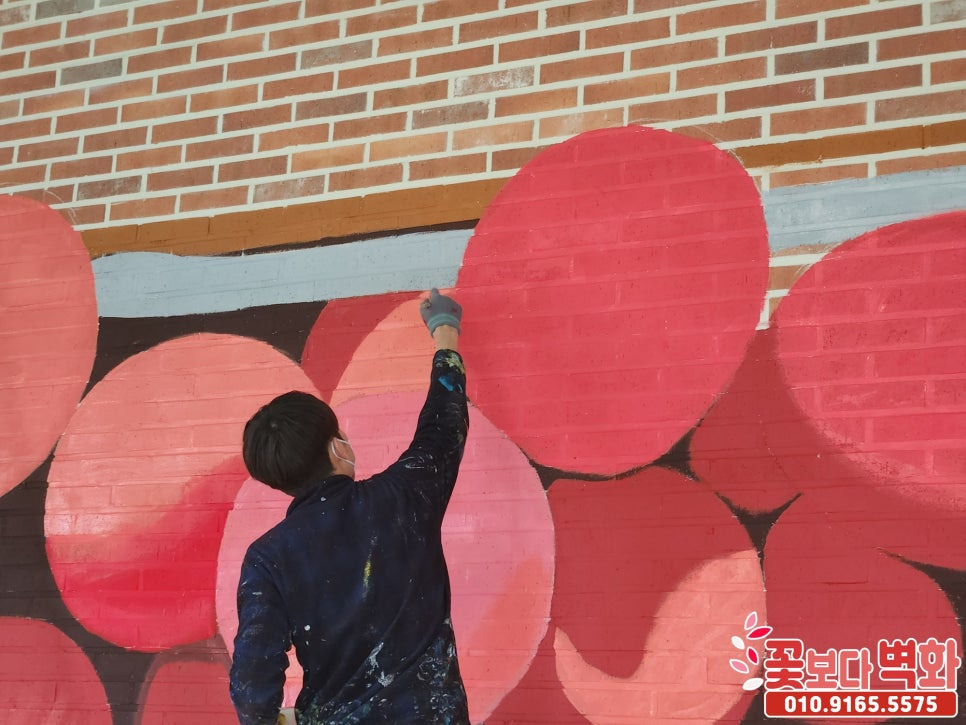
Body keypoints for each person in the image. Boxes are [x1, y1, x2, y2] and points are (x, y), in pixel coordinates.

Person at [230, 289, 470, 724]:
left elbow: (252, 695)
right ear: (336, 447)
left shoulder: (268, 560)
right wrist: (444, 330)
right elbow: (443, 425)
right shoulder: (403, 497)